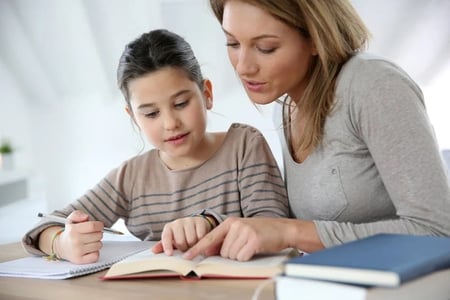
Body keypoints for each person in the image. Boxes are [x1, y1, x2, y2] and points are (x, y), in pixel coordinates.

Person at [180, 0, 450, 262]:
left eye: (266, 47)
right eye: (233, 43)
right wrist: (211, 223)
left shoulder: (374, 85)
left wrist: (291, 232)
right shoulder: (286, 107)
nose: (243, 66)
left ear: (315, 37)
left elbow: (437, 232)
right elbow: (296, 228)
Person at [21, 29, 289, 264]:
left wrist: (210, 223)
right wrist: (62, 243)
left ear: (206, 94)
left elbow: (276, 229)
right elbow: (45, 226)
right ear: (133, 117)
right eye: (151, 114)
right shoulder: (131, 177)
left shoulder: (244, 146)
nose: (170, 123)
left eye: (181, 104)